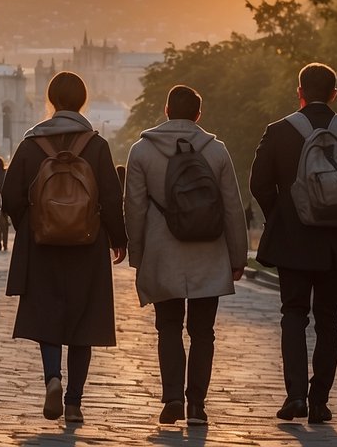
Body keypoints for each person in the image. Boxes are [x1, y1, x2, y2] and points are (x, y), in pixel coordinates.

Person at [250, 63, 337, 425]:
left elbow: (258, 183)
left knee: (293, 313)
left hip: (294, 241)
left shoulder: (279, 132)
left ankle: (294, 395)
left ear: (298, 92)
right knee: (329, 319)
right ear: (334, 94)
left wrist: (280, 214)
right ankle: (320, 401)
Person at [2, 71, 126, 424]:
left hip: (42, 245)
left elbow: (10, 195)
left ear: (51, 100)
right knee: (83, 323)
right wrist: (118, 239)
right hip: (87, 245)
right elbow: (112, 198)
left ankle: (52, 376)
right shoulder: (97, 145)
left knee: (47, 315)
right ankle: (74, 401)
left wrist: (30, 224)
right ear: (82, 100)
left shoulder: (31, 144)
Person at [125, 85, 248, 425]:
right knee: (203, 331)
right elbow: (233, 208)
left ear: (166, 111)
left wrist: (137, 255)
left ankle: (172, 400)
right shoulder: (218, 151)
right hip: (208, 251)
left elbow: (133, 208)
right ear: (199, 114)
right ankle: (197, 404)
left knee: (167, 327)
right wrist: (238, 256)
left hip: (162, 251)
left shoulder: (142, 151)